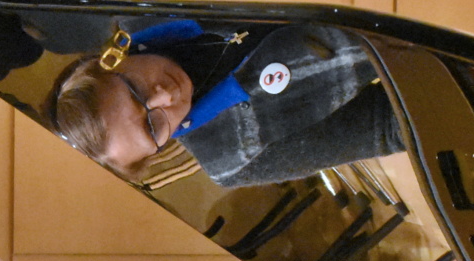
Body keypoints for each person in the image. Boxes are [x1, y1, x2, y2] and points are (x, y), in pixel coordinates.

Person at [51, 21, 404, 188]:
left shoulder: (159, 12)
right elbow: (387, 128)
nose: (165, 96)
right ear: (156, 152)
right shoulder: (232, 158)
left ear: (109, 60)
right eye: (153, 127)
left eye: (134, 89)